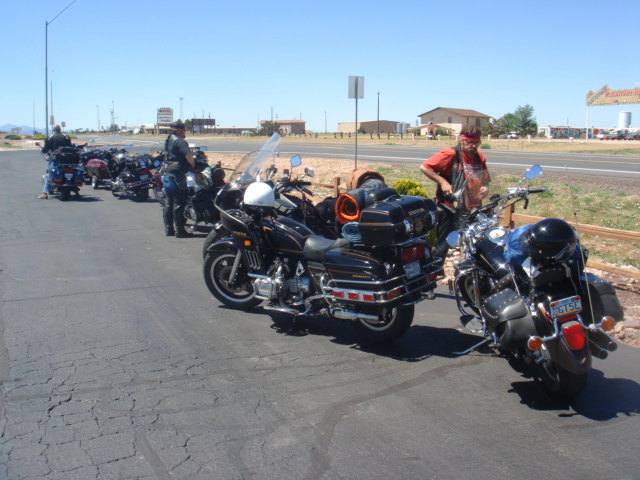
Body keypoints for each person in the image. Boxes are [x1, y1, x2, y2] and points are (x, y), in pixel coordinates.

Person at [419, 125, 491, 265]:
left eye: (476, 142)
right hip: (450, 207)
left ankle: (471, 271)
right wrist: (443, 182)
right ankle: (435, 269)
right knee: (444, 243)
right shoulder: (451, 154)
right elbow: (425, 167)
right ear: (461, 140)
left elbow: (485, 179)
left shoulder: (479, 156)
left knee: (474, 241)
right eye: (469, 142)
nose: (473, 146)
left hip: (472, 206)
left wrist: (485, 188)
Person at [162, 120, 195, 237]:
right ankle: (180, 231)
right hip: (177, 175)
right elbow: (189, 156)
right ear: (180, 130)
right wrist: (192, 164)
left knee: (168, 203)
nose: (185, 132)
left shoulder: (169, 139)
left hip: (168, 174)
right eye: (184, 130)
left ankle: (169, 230)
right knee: (179, 204)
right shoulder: (180, 141)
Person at [38, 124, 72, 199]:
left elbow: (45, 148)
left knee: (49, 174)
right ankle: (77, 192)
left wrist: (43, 150)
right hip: (67, 159)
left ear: (53, 130)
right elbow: (70, 147)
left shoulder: (50, 137)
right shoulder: (66, 137)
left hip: (56, 159)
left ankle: (45, 193)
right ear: (60, 130)